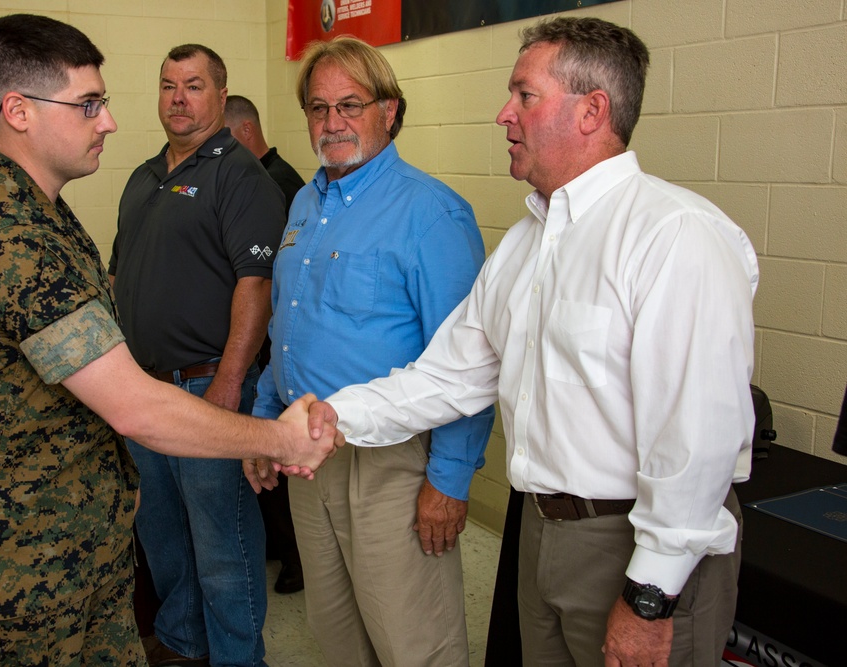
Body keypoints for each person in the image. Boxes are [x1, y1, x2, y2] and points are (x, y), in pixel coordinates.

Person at [307, 16, 759, 666]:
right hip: (542, 533)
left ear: (591, 111)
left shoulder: (673, 236)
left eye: (525, 95)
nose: (503, 115)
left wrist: (651, 595)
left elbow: (697, 443)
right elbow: (447, 376)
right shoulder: (526, 245)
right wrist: (330, 417)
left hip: (639, 544)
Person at [0, 15, 341, 667]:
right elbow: (133, 405)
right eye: (88, 104)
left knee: (222, 554)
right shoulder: (7, 235)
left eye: (104, 102)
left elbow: (247, 287)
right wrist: (281, 438)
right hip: (19, 563)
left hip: (77, 539)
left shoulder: (42, 215)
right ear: (19, 112)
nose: (108, 120)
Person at [249, 36, 495, 667]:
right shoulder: (307, 203)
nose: (332, 122)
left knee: (414, 642)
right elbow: (289, 323)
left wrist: (449, 480)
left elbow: (470, 363)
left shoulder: (431, 214)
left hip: (392, 463)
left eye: (350, 105)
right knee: (337, 635)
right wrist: (261, 425)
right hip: (309, 453)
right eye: (318, 107)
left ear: (389, 110)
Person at [109, 45, 285, 667]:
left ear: (219, 94)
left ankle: (239, 658)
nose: (178, 98)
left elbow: (255, 285)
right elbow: (120, 275)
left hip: (207, 386)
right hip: (146, 395)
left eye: (193, 85)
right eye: (167, 85)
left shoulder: (240, 176)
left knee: (223, 546)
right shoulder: (142, 177)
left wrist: (230, 383)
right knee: (163, 541)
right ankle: (184, 649)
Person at [223, 93, 307, 596]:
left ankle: (293, 556)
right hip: (271, 348)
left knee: (272, 457)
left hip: (274, 347)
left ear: (244, 133)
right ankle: (285, 549)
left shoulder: (276, 184)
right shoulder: (276, 182)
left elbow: (274, 281)